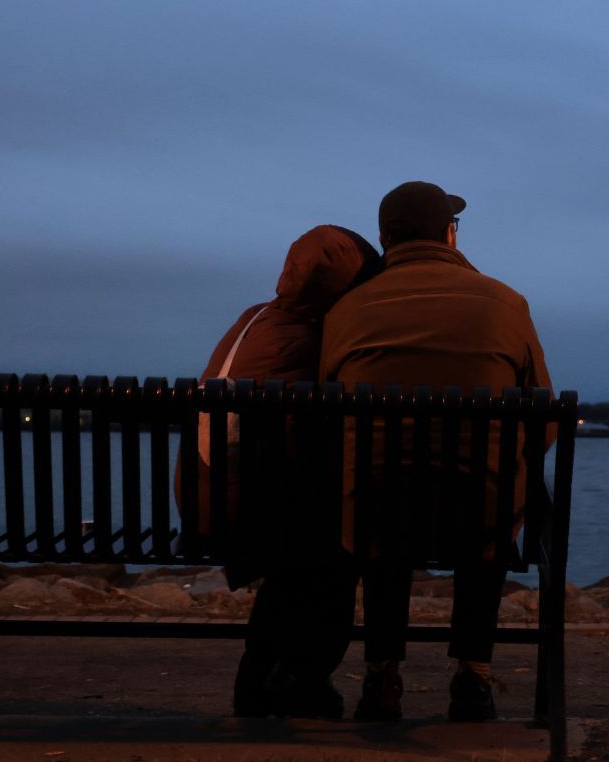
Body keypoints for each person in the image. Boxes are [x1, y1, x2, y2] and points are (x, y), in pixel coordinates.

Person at [319, 181, 554, 722]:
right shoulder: (506, 304)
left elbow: (329, 417)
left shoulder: (347, 311)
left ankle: (382, 676)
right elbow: (541, 424)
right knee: (489, 489)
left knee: (378, 490)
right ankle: (472, 675)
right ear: (450, 235)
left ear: (384, 238)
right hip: (480, 517)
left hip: (374, 518)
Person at [195, 224, 381, 720]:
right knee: (336, 547)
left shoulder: (254, 317)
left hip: (206, 494)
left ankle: (264, 680)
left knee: (302, 554)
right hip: (250, 509)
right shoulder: (318, 338)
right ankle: (300, 677)